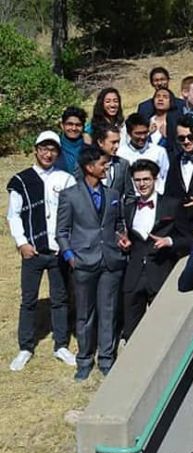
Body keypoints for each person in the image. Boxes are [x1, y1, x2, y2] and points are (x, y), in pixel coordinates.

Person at [7, 131, 78, 371]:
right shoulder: (21, 179)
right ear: (36, 150)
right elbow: (13, 214)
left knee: (60, 299)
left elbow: (73, 213)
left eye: (53, 150)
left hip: (58, 250)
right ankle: (26, 347)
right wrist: (22, 242)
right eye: (44, 149)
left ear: (58, 153)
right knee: (29, 300)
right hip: (33, 251)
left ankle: (60, 344)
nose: (48, 154)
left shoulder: (66, 179)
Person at [56, 146, 129, 380]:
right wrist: (70, 257)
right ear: (89, 167)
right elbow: (62, 231)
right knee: (85, 314)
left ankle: (106, 358)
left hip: (109, 260)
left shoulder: (113, 194)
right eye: (102, 164)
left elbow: (118, 225)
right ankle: (84, 360)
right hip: (83, 262)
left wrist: (122, 239)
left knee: (108, 312)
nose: (107, 167)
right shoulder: (70, 195)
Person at [122, 159, 192, 341]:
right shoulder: (128, 207)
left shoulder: (171, 205)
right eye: (137, 180)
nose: (142, 184)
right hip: (134, 275)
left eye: (146, 179)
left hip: (160, 272)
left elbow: (189, 240)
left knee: (162, 331)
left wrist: (169, 241)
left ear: (155, 179)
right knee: (131, 331)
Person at [117, 113, 171, 191]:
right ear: (129, 133)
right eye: (138, 133)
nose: (142, 137)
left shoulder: (159, 151)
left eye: (145, 132)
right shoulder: (120, 153)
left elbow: (165, 177)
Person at [54, 106, 86, 174]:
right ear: (62, 125)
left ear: (83, 127)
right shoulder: (54, 146)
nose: (74, 128)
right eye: (70, 124)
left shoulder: (90, 148)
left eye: (78, 125)